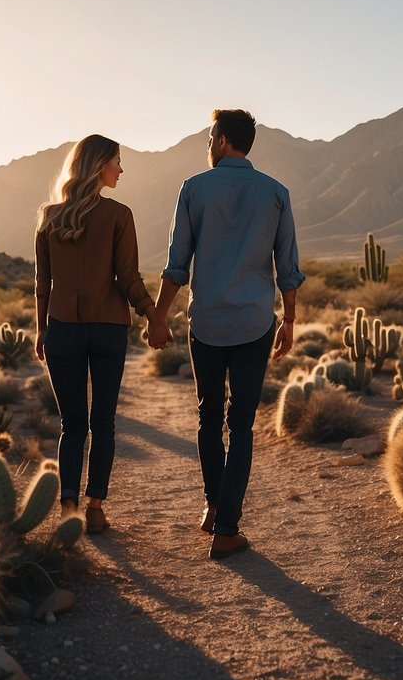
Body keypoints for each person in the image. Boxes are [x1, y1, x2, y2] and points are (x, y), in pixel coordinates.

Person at [150, 109, 304, 559]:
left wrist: (158, 316)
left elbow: (177, 264)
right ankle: (226, 529)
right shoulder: (276, 193)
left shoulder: (193, 189)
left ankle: (213, 507)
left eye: (208, 136)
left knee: (207, 416)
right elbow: (288, 269)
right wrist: (290, 320)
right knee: (241, 425)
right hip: (255, 323)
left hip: (208, 322)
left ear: (220, 140)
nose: (207, 143)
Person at [35, 134, 166, 534]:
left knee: (71, 424)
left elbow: (43, 282)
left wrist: (42, 329)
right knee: (102, 421)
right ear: (98, 166)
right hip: (108, 329)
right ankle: (95, 507)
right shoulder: (119, 215)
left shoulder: (50, 216)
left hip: (61, 329)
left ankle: (68, 507)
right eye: (117, 162)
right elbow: (127, 277)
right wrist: (153, 315)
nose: (121, 170)